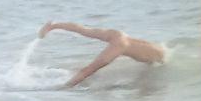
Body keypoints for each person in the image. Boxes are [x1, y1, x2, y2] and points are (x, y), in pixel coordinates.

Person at [38, 21, 166, 87]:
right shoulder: (118, 40)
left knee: (90, 68)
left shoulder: (117, 39)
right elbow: (81, 30)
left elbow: (89, 70)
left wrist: (66, 87)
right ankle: (53, 26)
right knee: (85, 33)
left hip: (159, 59)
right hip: (157, 53)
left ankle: (53, 26)